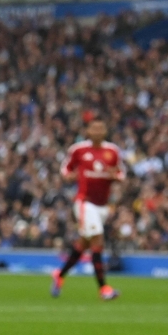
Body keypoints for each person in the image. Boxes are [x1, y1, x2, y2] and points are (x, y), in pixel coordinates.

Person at [52, 119, 124, 300]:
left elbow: (121, 173)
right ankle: (103, 289)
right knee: (98, 240)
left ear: (105, 131)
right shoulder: (78, 150)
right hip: (85, 202)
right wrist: (69, 176)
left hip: (103, 206)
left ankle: (59, 275)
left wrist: (114, 176)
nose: (98, 131)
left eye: (101, 127)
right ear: (88, 131)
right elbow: (65, 169)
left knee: (83, 244)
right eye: (94, 128)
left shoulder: (112, 151)